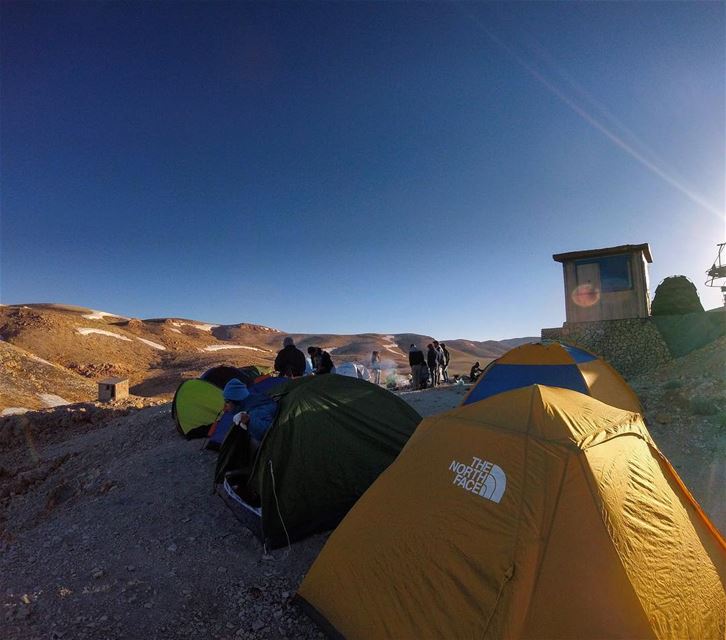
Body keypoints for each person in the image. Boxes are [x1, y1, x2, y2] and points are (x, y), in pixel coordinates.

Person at [223, 378, 277, 444]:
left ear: (236, 400)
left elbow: (269, 433)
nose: (225, 406)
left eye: (227, 401)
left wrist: (249, 421)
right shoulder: (252, 402)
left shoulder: (255, 409)